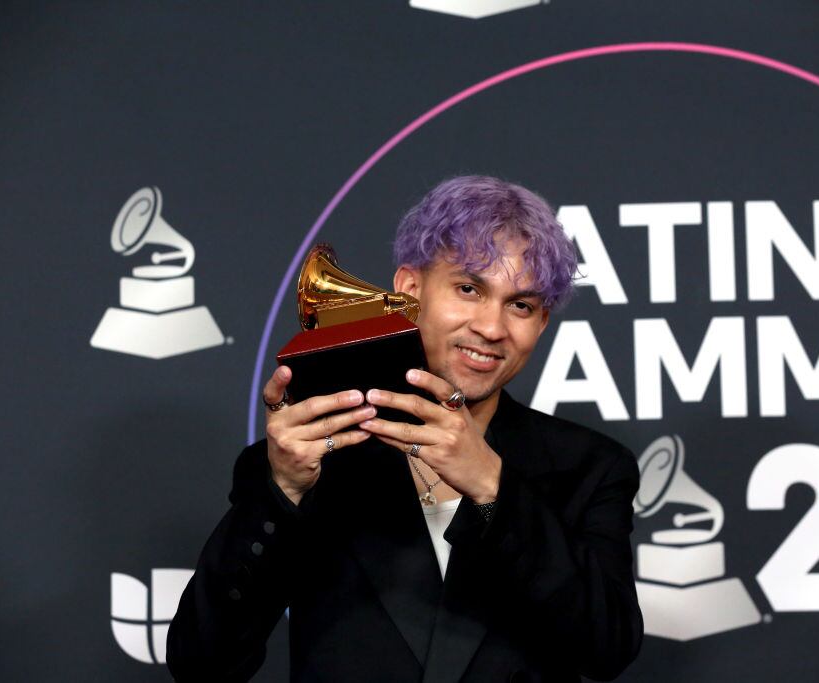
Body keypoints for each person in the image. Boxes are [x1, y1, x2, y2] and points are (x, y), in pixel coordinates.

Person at [167, 175, 644, 682]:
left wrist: (491, 485)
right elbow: (203, 664)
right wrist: (282, 490)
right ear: (409, 290)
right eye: (468, 289)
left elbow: (606, 651)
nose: (491, 327)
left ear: (541, 323)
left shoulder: (591, 468)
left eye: (520, 305)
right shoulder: (310, 462)